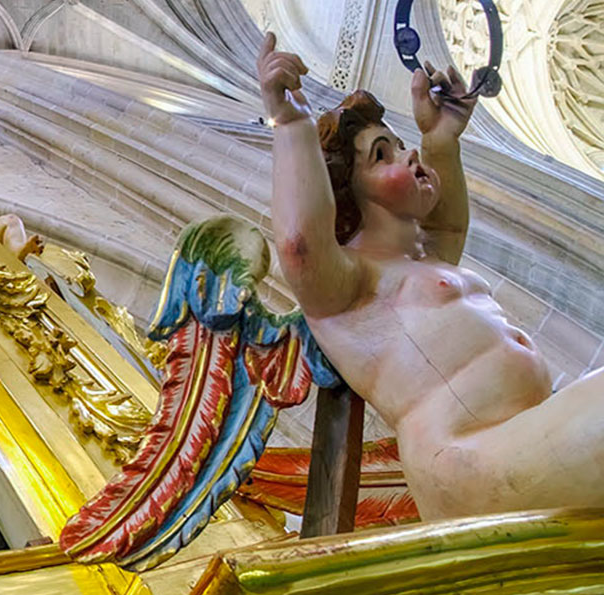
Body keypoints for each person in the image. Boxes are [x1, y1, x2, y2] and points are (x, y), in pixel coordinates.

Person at [259, 31, 604, 516]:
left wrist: (441, 139)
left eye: (402, 146)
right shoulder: (350, 285)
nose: (409, 155)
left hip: (529, 431)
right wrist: (290, 123)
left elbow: (447, 219)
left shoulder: (425, 259)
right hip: (471, 459)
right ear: (345, 192)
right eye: (383, 155)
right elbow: (299, 246)